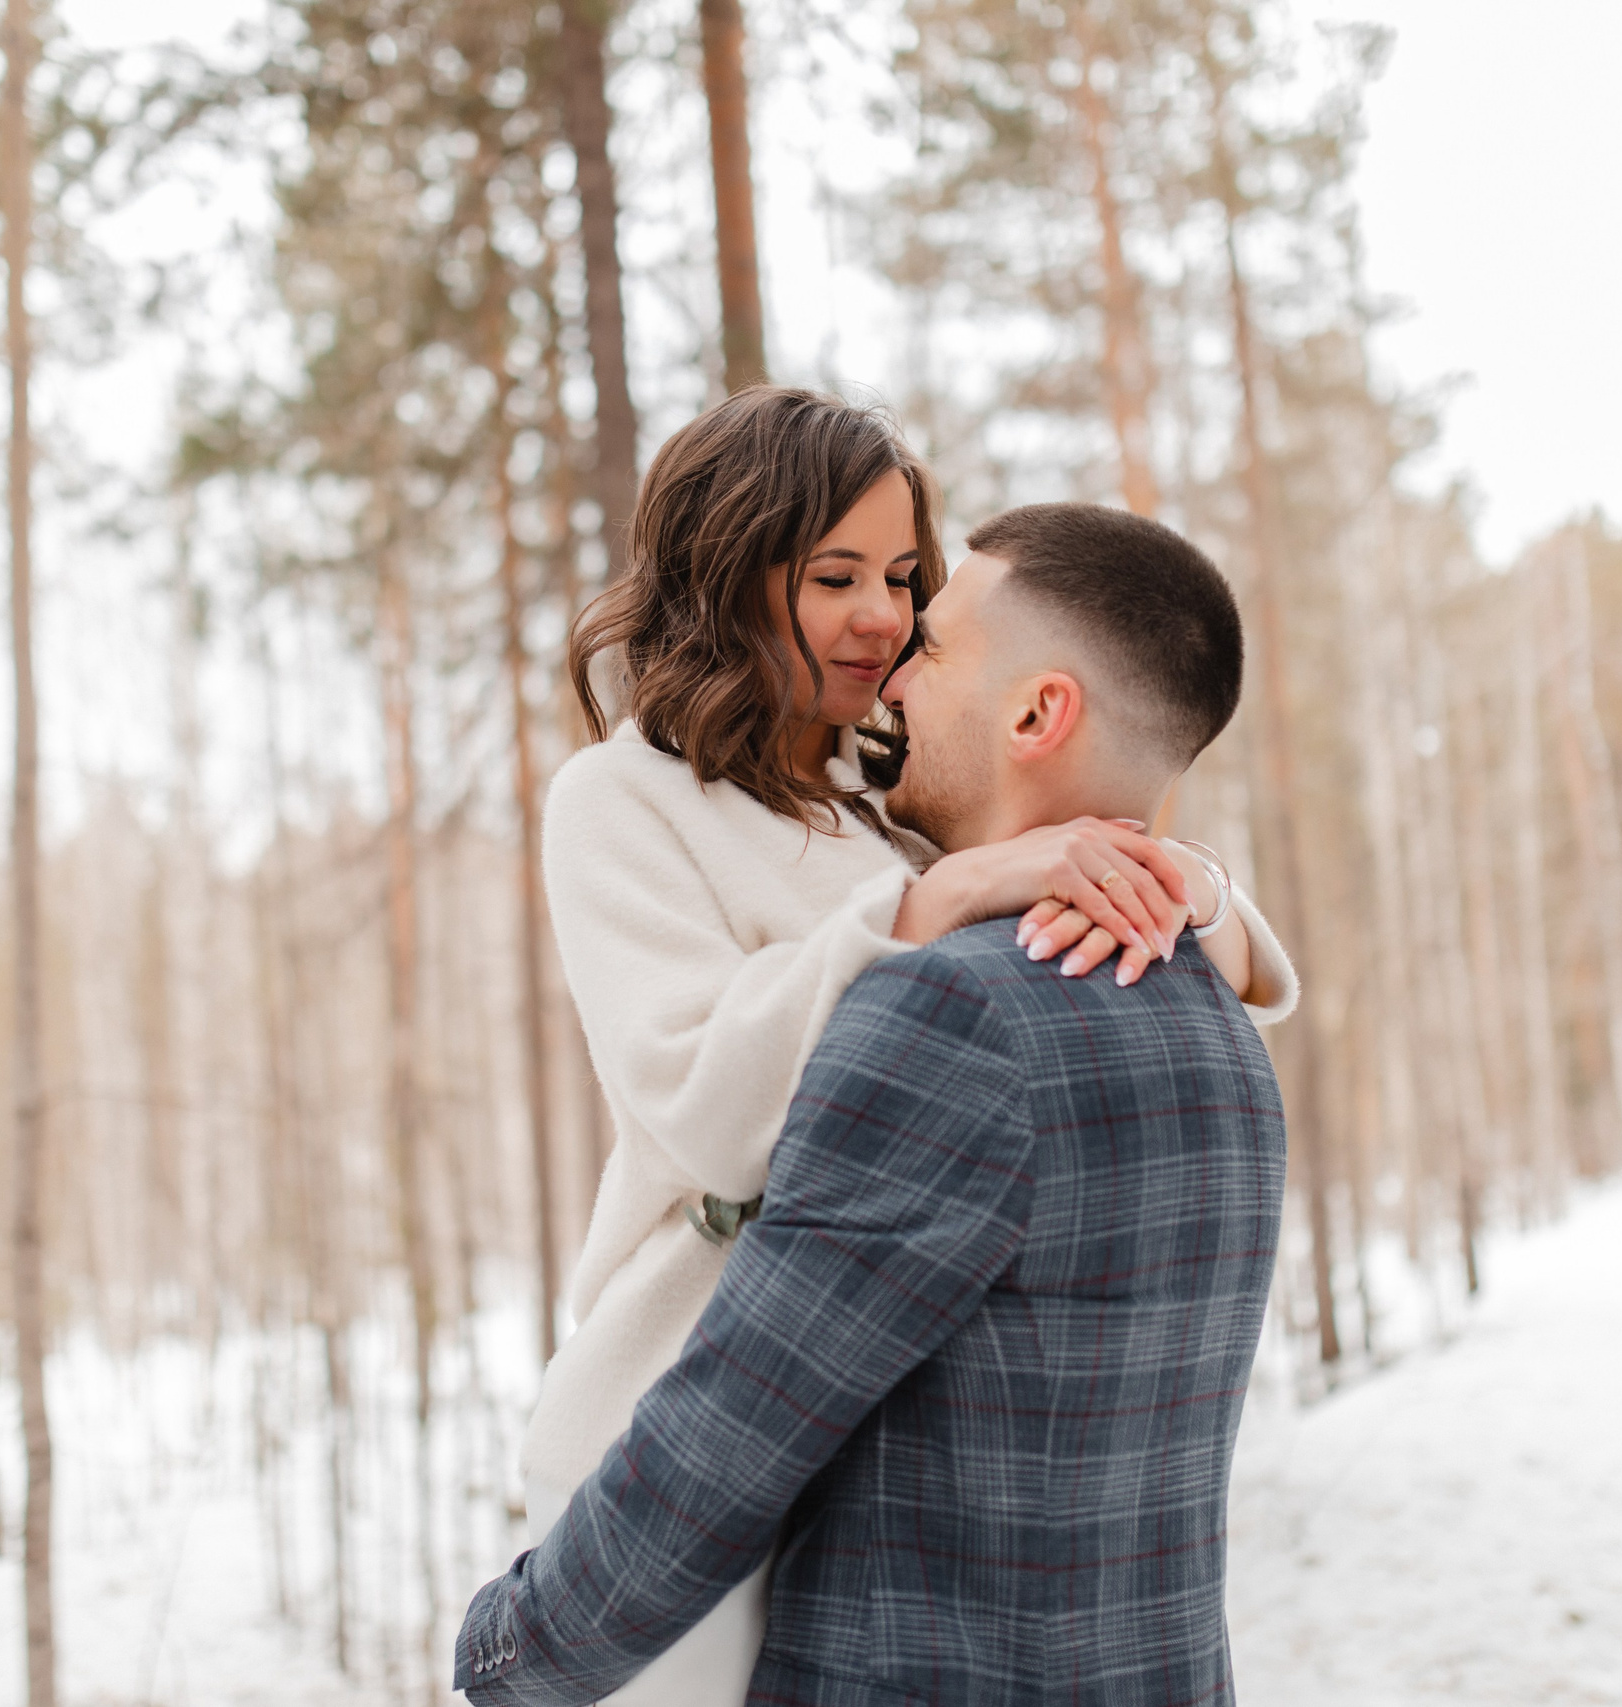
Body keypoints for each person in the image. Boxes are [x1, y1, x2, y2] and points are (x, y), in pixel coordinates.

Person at [519, 390, 1295, 1705]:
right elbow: (703, 1109)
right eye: (835, 576)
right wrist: (925, 906)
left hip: (841, 1433)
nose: (883, 617)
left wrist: (1184, 888)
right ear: (730, 575)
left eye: (902, 578)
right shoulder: (626, 801)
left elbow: (1236, 967)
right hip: (679, 1419)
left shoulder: (887, 804)